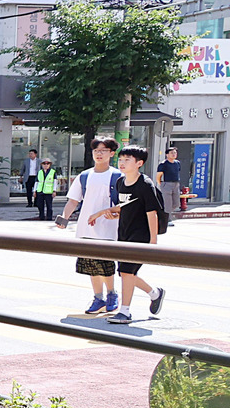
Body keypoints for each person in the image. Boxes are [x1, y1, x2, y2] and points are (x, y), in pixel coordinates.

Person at [85, 145, 167, 325]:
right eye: (120, 159)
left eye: (127, 160)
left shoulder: (145, 184)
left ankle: (125, 311)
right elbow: (125, 207)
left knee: (126, 271)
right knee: (126, 273)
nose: (122, 163)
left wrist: (153, 241)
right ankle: (155, 293)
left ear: (139, 163)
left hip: (140, 235)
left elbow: (151, 212)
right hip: (123, 233)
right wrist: (104, 213)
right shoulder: (121, 182)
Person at [57, 138, 121, 315]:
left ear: (111, 153)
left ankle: (111, 294)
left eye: (103, 150)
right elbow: (73, 200)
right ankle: (98, 297)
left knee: (106, 265)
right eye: (96, 151)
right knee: (91, 266)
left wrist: (114, 213)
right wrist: (64, 218)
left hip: (109, 228)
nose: (99, 154)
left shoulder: (117, 176)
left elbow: (124, 203)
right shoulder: (84, 176)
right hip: (86, 228)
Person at [156, 147, 182, 215]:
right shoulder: (163, 164)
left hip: (176, 184)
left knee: (176, 204)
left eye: (175, 153)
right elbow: (158, 176)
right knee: (168, 204)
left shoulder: (177, 163)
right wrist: (162, 184)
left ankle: (163, 214)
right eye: (172, 153)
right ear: (167, 155)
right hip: (166, 184)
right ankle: (168, 220)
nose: (174, 154)